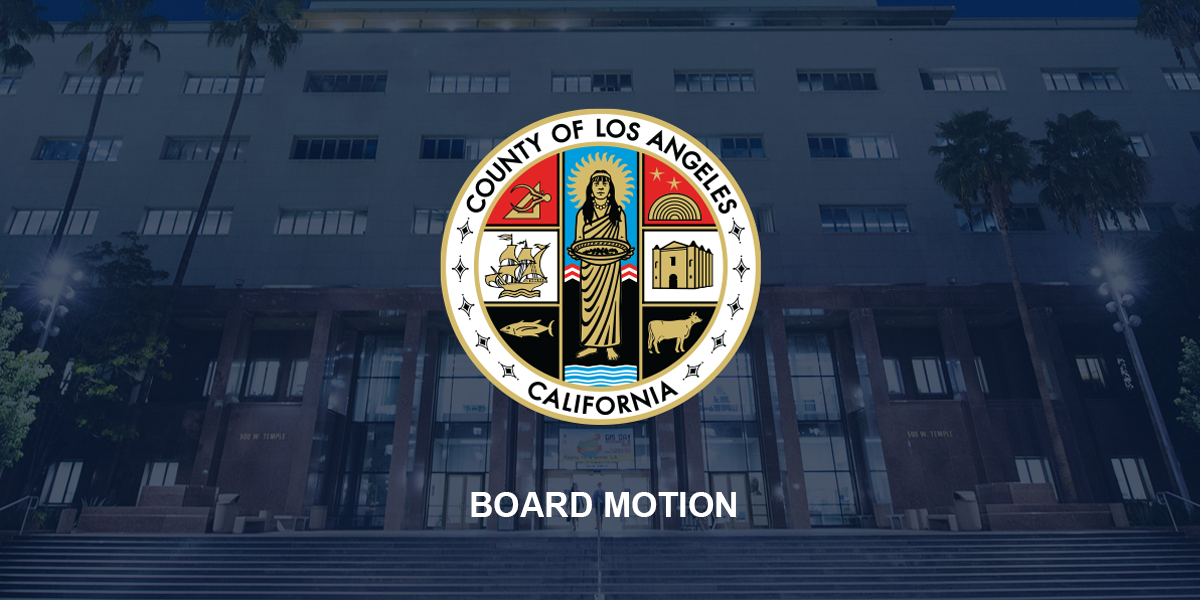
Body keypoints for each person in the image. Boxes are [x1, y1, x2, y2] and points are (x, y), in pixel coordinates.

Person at [574, 170, 626, 361]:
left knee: (611, 305)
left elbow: (623, 240)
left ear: (610, 189)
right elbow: (578, 240)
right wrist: (575, 251)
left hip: (611, 265)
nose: (601, 187)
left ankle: (610, 346)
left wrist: (625, 251)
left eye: (605, 184)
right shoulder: (582, 213)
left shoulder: (619, 213)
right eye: (597, 184)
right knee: (589, 306)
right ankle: (591, 344)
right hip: (589, 266)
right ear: (590, 189)